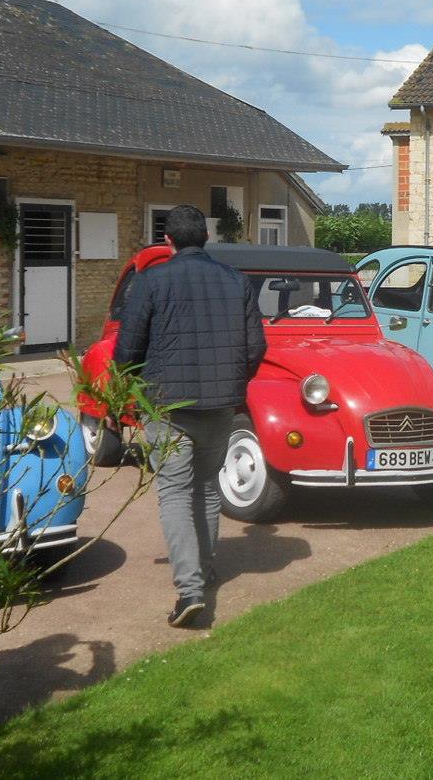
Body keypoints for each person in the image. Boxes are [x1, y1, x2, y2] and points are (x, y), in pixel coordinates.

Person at [112, 205, 267, 628]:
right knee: (206, 487)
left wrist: (128, 390)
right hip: (220, 405)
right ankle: (206, 567)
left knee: (176, 493)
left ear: (168, 242)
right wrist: (234, 387)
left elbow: (127, 349)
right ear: (206, 238)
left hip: (167, 406)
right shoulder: (237, 282)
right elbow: (256, 348)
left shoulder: (150, 281)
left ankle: (190, 591)